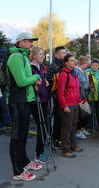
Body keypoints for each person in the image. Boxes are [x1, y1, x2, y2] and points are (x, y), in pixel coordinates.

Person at [7, 32, 42, 181]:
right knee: (17, 136)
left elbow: (25, 79)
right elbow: (21, 81)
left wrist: (34, 79)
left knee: (22, 134)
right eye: (29, 41)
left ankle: (24, 162)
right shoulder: (15, 57)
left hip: (25, 99)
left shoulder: (23, 56)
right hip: (17, 101)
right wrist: (36, 77)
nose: (31, 44)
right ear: (21, 42)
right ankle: (17, 171)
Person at [58, 54, 83, 158]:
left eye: (74, 60)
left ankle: (73, 145)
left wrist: (79, 101)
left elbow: (77, 89)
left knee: (73, 126)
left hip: (74, 104)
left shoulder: (74, 73)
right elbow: (60, 92)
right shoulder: (64, 74)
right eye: (71, 60)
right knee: (67, 127)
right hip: (68, 105)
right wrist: (64, 106)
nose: (74, 62)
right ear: (66, 63)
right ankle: (65, 149)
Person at [30, 46, 51, 164]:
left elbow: (41, 80)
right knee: (42, 126)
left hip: (43, 99)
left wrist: (45, 82)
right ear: (34, 55)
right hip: (35, 100)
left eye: (43, 54)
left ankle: (40, 151)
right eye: (40, 54)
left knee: (44, 125)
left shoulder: (40, 67)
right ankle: (39, 153)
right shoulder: (30, 67)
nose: (43, 56)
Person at [45, 46, 66, 149]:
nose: (65, 55)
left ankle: (59, 138)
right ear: (57, 54)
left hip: (63, 97)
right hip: (55, 97)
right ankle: (54, 140)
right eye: (63, 53)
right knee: (55, 119)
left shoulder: (64, 65)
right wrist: (54, 93)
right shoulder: (53, 66)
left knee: (61, 119)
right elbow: (48, 81)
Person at [87, 58, 99, 133]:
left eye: (96, 65)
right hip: (92, 95)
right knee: (92, 112)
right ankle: (92, 126)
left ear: (98, 66)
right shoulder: (88, 73)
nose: (95, 66)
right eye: (93, 65)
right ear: (91, 65)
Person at [74, 56, 91, 139]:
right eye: (87, 63)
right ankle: (78, 131)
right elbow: (78, 83)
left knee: (84, 112)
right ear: (83, 63)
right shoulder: (76, 71)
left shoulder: (84, 71)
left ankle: (83, 128)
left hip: (84, 94)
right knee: (80, 113)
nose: (88, 65)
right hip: (79, 95)